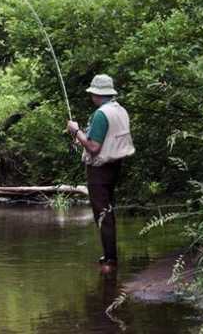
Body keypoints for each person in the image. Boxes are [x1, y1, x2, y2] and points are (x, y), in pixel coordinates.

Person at [66, 74, 135, 268]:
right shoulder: (120, 110)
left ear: (97, 94)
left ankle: (110, 260)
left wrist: (75, 131)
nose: (91, 97)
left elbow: (94, 147)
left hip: (100, 169)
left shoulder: (101, 114)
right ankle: (110, 256)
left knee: (102, 214)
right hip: (115, 166)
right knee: (108, 210)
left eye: (92, 93)